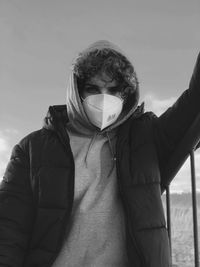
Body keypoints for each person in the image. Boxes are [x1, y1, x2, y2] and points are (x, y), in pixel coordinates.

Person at [0, 40, 199, 267]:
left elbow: (194, 104)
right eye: (93, 89)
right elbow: (8, 231)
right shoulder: (32, 149)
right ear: (77, 92)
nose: (104, 99)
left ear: (125, 96)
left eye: (113, 90)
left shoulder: (146, 139)